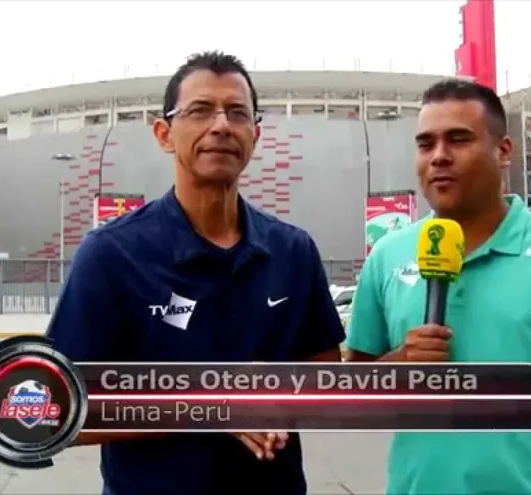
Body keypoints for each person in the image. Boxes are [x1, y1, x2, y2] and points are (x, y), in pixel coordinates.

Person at [46, 51, 345, 495]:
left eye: (237, 113)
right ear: (164, 134)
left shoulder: (293, 250)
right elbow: (57, 409)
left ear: (255, 134)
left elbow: (324, 379)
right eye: (200, 111)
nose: (221, 125)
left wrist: (273, 391)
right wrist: (209, 402)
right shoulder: (111, 254)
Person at [345, 79, 531, 495]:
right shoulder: (388, 256)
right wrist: (400, 363)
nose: (439, 157)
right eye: (425, 144)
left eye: (459, 139)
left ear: (503, 151)